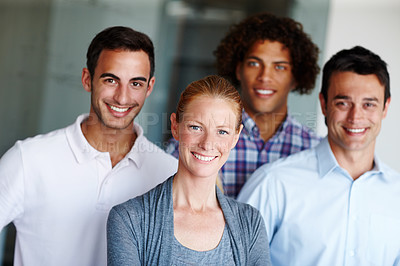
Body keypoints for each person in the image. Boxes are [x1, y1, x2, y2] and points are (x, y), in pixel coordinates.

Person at [0, 26, 177, 266]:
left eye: (136, 83)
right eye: (111, 80)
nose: (122, 97)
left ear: (150, 87)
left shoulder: (168, 174)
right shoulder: (28, 159)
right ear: (87, 79)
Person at [238, 46, 400, 265]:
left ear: (385, 107)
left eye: (368, 104)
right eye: (343, 103)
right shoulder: (273, 183)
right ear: (324, 104)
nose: (355, 117)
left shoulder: (396, 194)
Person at [107, 75, 271, 265]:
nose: (207, 144)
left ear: (236, 137)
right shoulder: (129, 219)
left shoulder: (250, 223)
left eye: (222, 132)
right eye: (195, 127)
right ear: (175, 127)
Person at [166, 12, 321, 198]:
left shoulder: (313, 150)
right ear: (238, 69)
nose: (265, 76)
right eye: (254, 64)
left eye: (280, 67)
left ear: (296, 77)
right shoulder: (190, 145)